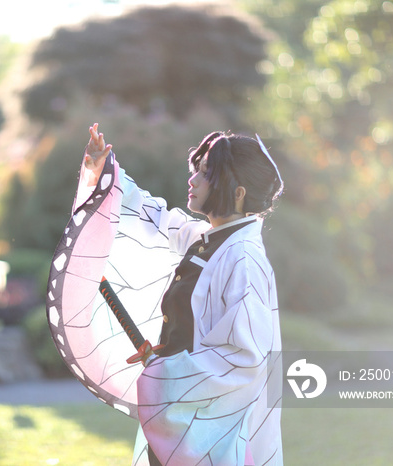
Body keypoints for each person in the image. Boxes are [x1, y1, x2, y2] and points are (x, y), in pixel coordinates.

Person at [46, 123, 283, 466]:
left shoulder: (244, 259)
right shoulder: (211, 240)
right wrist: (107, 171)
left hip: (207, 429)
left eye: (206, 173)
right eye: (197, 170)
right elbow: (156, 220)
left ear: (238, 193)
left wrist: (168, 372)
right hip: (181, 414)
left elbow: (244, 358)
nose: (194, 179)